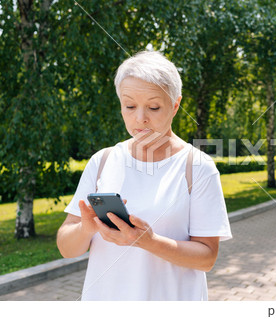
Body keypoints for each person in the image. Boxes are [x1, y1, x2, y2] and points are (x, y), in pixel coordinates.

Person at [56, 51, 232, 301]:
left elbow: (207, 258)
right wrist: (85, 229)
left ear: (175, 105)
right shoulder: (103, 161)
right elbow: (66, 248)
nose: (140, 118)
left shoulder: (197, 167)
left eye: (153, 107)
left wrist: (148, 241)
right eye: (129, 106)